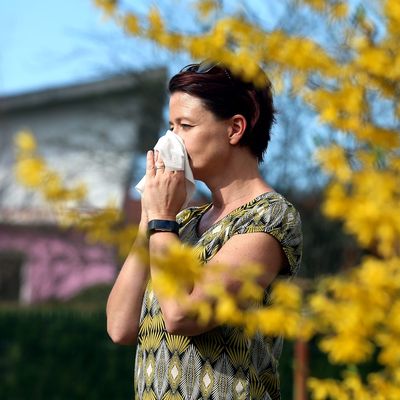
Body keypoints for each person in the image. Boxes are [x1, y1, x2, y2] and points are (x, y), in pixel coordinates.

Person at [106, 61, 302, 400]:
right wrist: (150, 218)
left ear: (234, 129)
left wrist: (163, 221)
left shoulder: (269, 218)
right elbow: (120, 327)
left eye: (185, 126)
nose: (171, 141)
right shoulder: (178, 225)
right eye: (170, 126)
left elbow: (184, 313)